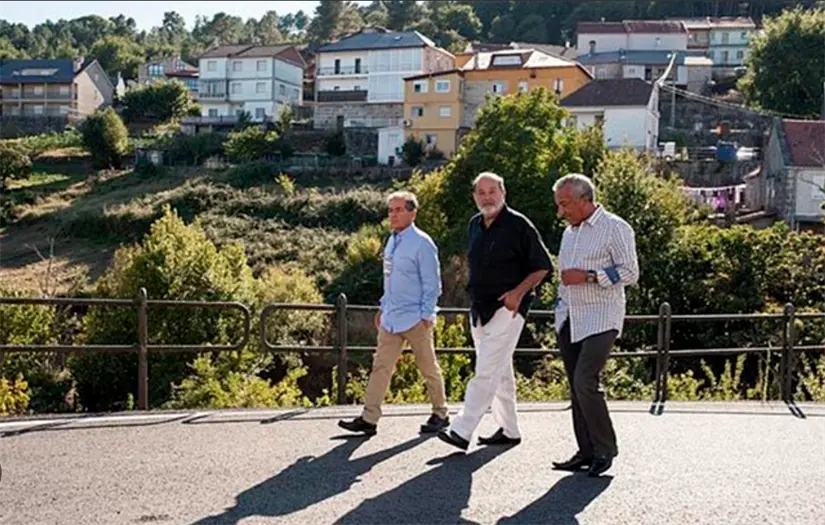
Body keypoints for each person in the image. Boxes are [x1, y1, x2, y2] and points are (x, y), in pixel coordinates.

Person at [437, 172, 553, 451]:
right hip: (479, 308)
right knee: (499, 371)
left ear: (504, 192)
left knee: (486, 369)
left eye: (492, 191)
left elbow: (543, 266)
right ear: (474, 196)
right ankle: (509, 429)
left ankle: (462, 430)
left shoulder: (519, 225)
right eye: (481, 192)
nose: (487, 197)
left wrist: (517, 293)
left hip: (508, 309)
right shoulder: (475, 225)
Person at [338, 191, 449, 436]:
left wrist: (427, 314)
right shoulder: (391, 241)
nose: (393, 215)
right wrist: (382, 307)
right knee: (380, 367)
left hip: (416, 318)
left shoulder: (422, 242)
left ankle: (440, 414)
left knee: (428, 367)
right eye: (390, 210)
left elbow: (433, 283)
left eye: (399, 210)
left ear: (412, 212)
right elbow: (389, 280)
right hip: (391, 317)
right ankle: (369, 419)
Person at [550, 173, 639, 477]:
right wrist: (559, 311)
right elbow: (564, 277)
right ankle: (585, 451)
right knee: (576, 387)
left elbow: (630, 272)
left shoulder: (615, 228)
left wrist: (589, 276)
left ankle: (605, 449)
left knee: (586, 381)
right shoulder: (569, 233)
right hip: (570, 318)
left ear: (585, 200)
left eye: (565, 205)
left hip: (602, 316)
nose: (560, 212)